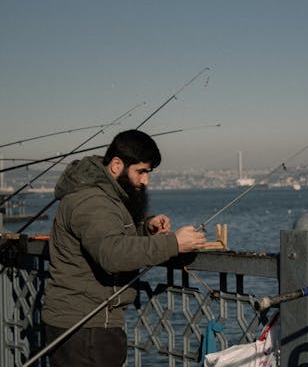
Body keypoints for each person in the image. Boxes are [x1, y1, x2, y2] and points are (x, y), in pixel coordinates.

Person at [41, 130, 206, 367]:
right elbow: (112, 253)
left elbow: (103, 236)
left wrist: (145, 229)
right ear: (117, 165)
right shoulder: (93, 201)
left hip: (79, 323)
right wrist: (174, 243)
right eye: (141, 171)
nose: (145, 181)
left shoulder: (98, 195)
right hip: (87, 327)